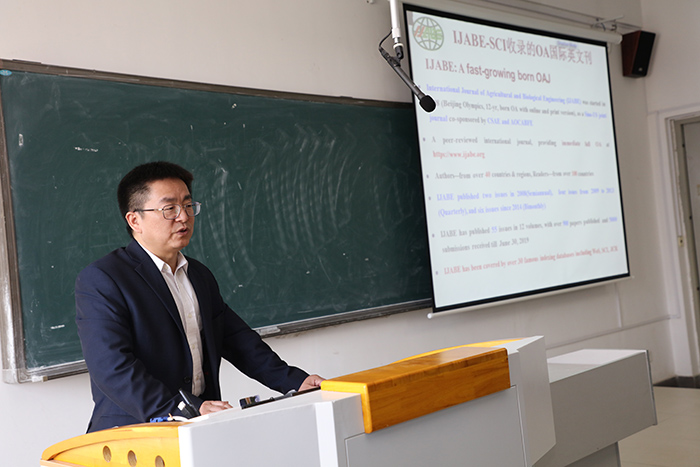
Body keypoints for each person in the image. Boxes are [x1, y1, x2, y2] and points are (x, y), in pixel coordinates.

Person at [75, 161, 323, 433]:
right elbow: (111, 367)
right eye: (169, 209)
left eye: (188, 205)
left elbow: (237, 340)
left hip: (201, 427)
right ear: (135, 220)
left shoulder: (198, 274)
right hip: (135, 434)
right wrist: (184, 409)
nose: (183, 217)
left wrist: (294, 382)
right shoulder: (103, 279)